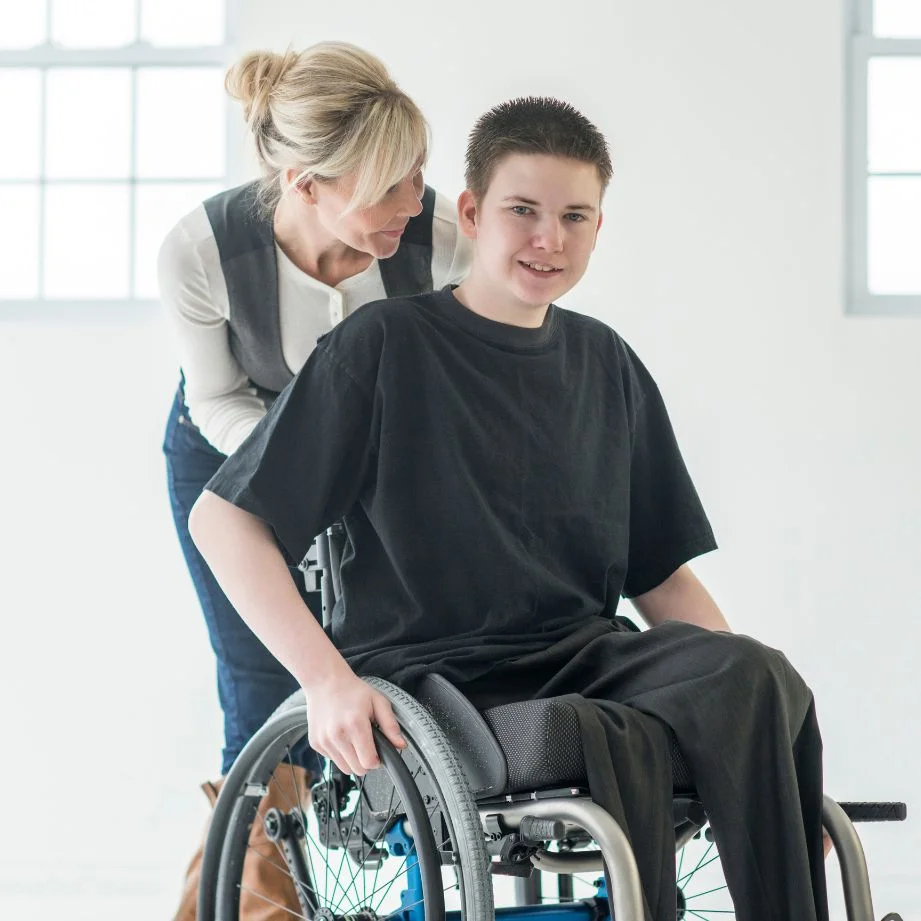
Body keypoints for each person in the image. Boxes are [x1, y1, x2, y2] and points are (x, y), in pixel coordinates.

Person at [189, 97, 829, 921]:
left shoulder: (604, 362)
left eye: (573, 217)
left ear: (597, 228)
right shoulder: (383, 345)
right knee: (594, 727)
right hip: (438, 674)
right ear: (470, 214)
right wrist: (325, 680)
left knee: (759, 675)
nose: (547, 239)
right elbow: (223, 519)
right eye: (522, 210)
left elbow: (662, 577)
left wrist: (772, 766)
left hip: (581, 655)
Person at [158, 41, 470, 920]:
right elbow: (216, 397)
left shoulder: (441, 241)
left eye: (418, 174)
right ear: (304, 184)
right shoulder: (200, 253)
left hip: (381, 461)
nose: (414, 202)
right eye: (387, 187)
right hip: (229, 458)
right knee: (263, 688)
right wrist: (302, 472)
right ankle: (244, 902)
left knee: (414, 661)